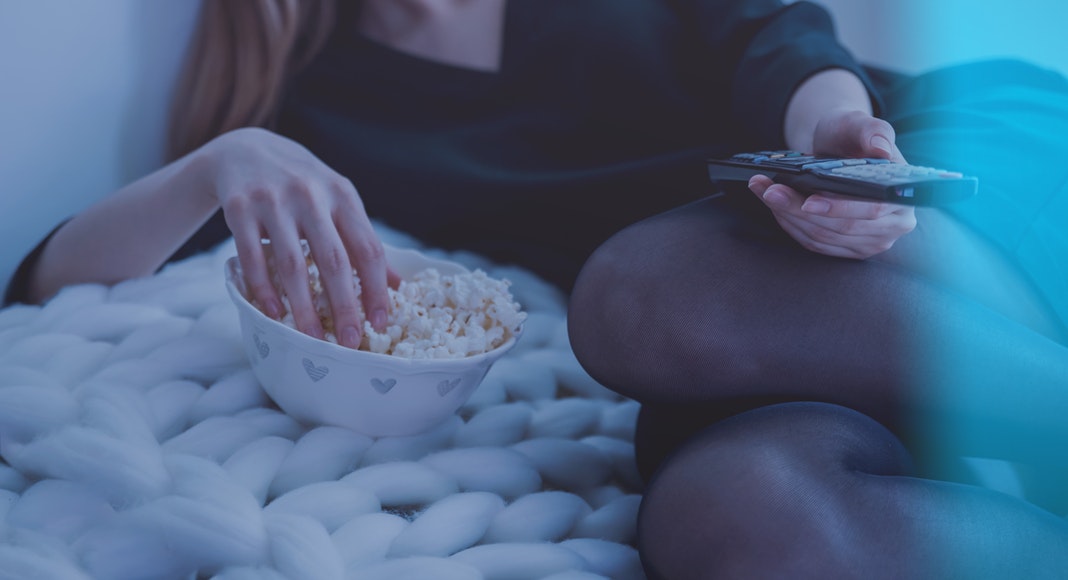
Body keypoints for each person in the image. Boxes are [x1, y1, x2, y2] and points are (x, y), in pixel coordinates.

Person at [4, 0, 1066, 577]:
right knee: (732, 521)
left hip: (923, 193)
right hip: (727, 350)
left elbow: (780, 36)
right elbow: (42, 291)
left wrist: (837, 147)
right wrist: (217, 162)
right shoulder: (317, 110)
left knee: (641, 292)